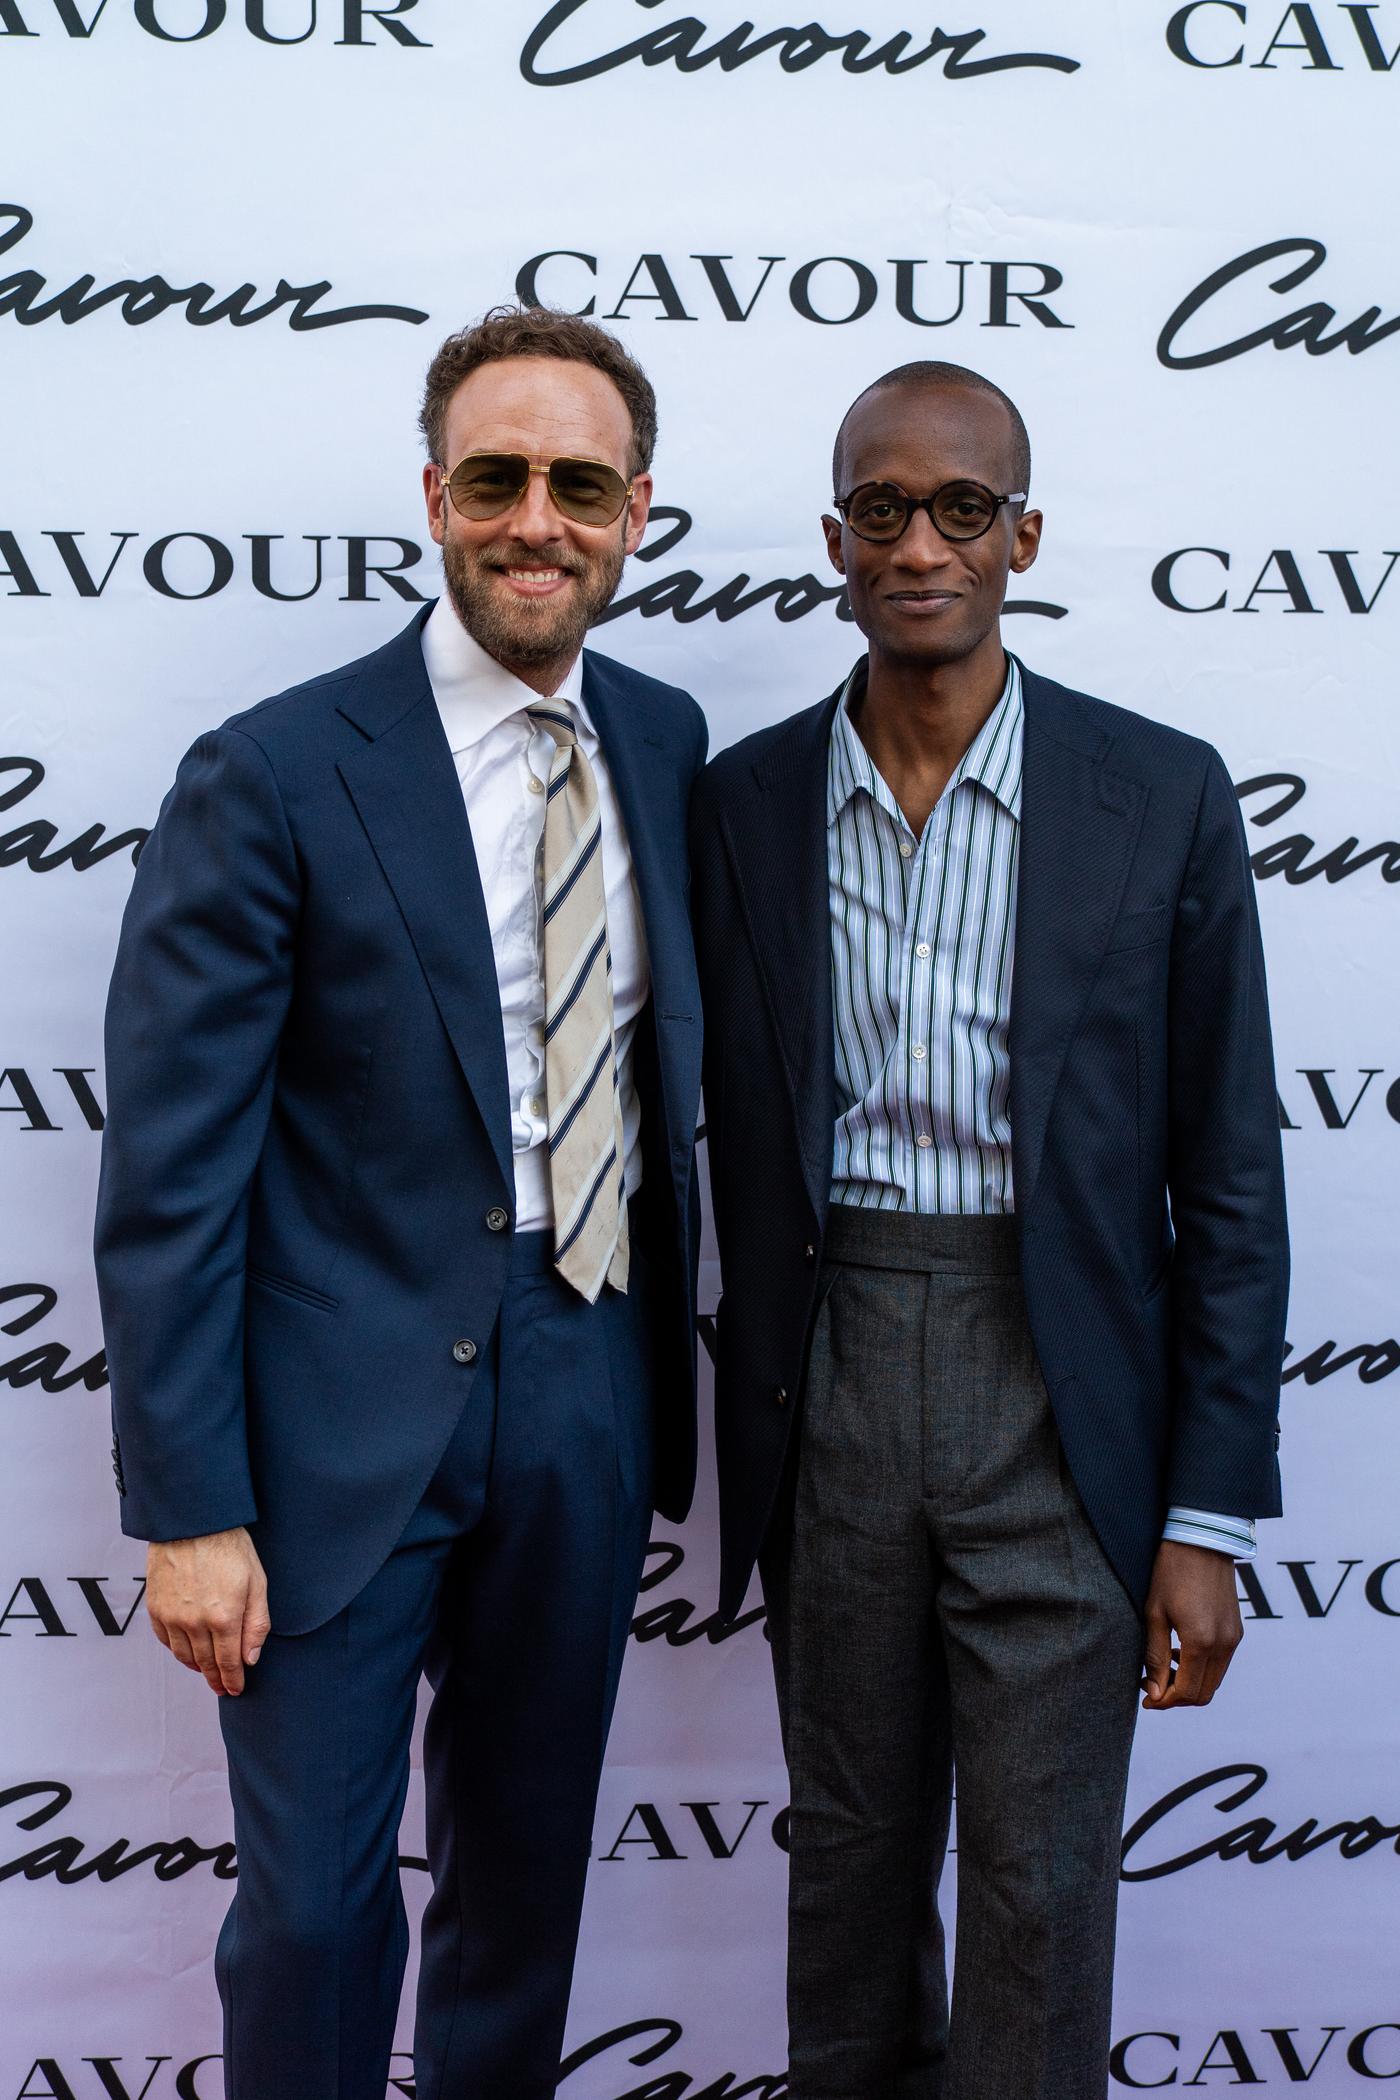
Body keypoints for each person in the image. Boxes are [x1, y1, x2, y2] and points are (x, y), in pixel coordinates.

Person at [93, 305, 707, 2100]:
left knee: (522, 1890)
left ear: (636, 512)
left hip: (587, 1376)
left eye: (577, 484)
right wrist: (189, 1503)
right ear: (434, 498)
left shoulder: (664, 744)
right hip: (332, 1422)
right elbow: (172, 1171)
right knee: (313, 1910)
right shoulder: (275, 767)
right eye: (498, 478)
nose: (538, 519)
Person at [689, 359, 1287, 2100]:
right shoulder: (741, 803)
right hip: (837, 1372)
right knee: (851, 1877)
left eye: (963, 508)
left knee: (1042, 1892)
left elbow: (1231, 1178)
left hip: (1066, 1397)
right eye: (884, 509)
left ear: (1024, 534)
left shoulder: (1158, 795)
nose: (922, 543)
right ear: (836, 540)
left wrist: (1203, 1516)